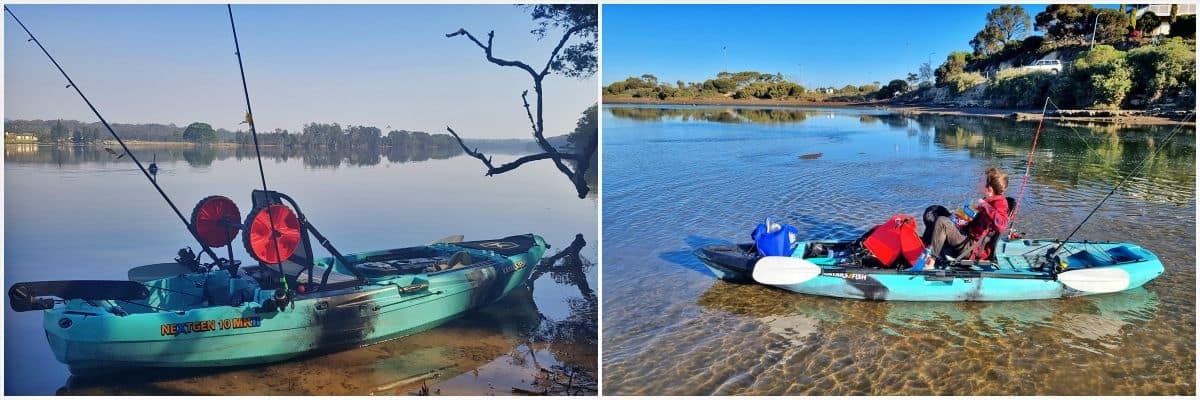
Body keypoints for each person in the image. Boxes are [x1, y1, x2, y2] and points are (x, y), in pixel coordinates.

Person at [920, 167, 1010, 269]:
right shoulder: (988, 199)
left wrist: (985, 205)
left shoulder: (1000, 203)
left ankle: (930, 262)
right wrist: (958, 217)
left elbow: (1002, 225)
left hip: (971, 247)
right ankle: (927, 245)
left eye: (981, 180)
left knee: (941, 222)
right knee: (934, 211)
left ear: (989, 188)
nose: (979, 181)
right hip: (966, 234)